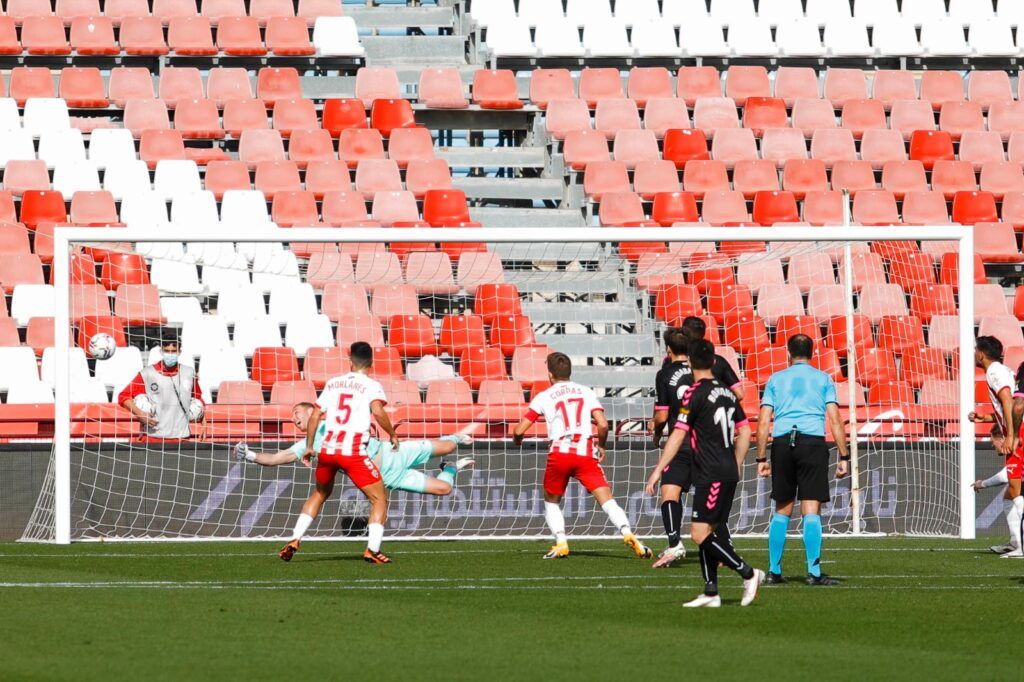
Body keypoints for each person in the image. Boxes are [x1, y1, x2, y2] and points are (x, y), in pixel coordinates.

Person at [649, 339, 763, 608]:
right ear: (713, 361)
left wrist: (657, 470)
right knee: (709, 530)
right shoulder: (726, 392)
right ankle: (711, 591)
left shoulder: (694, 392)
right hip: (726, 469)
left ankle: (748, 572)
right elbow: (745, 430)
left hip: (710, 471)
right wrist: (736, 461)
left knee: (699, 534)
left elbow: (678, 434)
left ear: (690, 362)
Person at [512, 352, 652, 560]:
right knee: (607, 500)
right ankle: (627, 532)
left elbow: (519, 429)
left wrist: (517, 440)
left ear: (550, 374)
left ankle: (561, 542)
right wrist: (602, 446)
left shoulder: (544, 396)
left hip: (560, 453)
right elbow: (603, 424)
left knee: (551, 501)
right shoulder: (586, 391)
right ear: (570, 372)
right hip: (585, 452)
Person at [278, 342, 398, 565]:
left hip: (327, 451)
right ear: (371, 362)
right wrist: (391, 434)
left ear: (350, 361)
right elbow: (378, 411)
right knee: (379, 498)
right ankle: (372, 549)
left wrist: (310, 446)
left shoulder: (333, 383)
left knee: (319, 494)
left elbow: (314, 416)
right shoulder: (372, 385)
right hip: (352, 452)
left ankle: (294, 538)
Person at [756, 334, 849, 586]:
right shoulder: (823, 379)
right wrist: (844, 455)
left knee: (782, 509)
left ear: (788, 353)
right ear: (812, 353)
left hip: (783, 443)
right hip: (812, 443)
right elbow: (835, 419)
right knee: (811, 509)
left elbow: (764, 421)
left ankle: (774, 572)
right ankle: (814, 573)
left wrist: (761, 456)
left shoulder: (775, 379)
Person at [651, 318, 744, 568]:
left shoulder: (667, 370)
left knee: (671, 492)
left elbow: (662, 415)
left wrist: (657, 432)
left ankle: (674, 544)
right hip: (710, 445)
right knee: (710, 502)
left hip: (683, 443)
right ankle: (724, 549)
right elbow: (741, 394)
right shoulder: (718, 363)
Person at [234, 402, 475, 497]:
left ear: (310, 411)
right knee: (444, 489)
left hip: (392, 451)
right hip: (388, 476)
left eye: (296, 413)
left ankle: (454, 437)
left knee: (448, 445)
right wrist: (252, 456)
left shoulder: (336, 421)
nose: (293, 419)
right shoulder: (306, 445)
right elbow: (277, 458)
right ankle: (451, 468)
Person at [968, 337, 1023, 558]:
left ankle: (1021, 547)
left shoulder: (994, 372)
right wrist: (986, 417)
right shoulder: (1002, 370)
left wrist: (1011, 435)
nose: (974, 354)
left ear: (981, 353)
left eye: (975, 351)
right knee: (1010, 495)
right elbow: (1004, 407)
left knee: (1015, 489)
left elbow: (1010, 402)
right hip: (1018, 430)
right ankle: (1016, 542)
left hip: (1019, 433)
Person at [118, 333, 204, 441]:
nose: (170, 354)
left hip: (181, 438)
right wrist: (140, 414)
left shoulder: (189, 373)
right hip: (153, 437)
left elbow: (198, 400)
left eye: (173, 351)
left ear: (179, 352)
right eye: (167, 351)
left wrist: (204, 423)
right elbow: (123, 397)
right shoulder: (147, 373)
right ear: (161, 351)